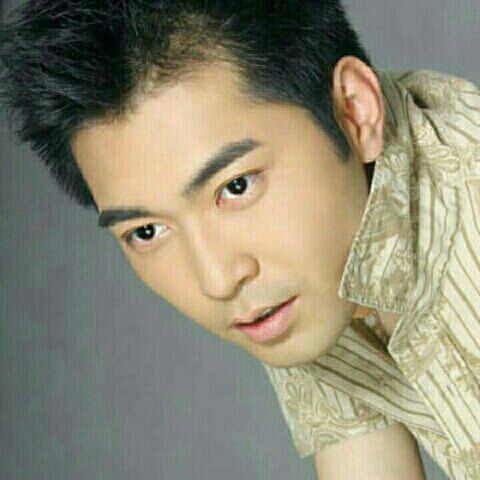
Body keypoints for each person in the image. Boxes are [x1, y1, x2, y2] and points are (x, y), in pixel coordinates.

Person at [1, 1, 479, 479]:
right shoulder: (313, 276)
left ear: (354, 111)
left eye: (236, 186)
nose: (217, 279)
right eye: (146, 231)